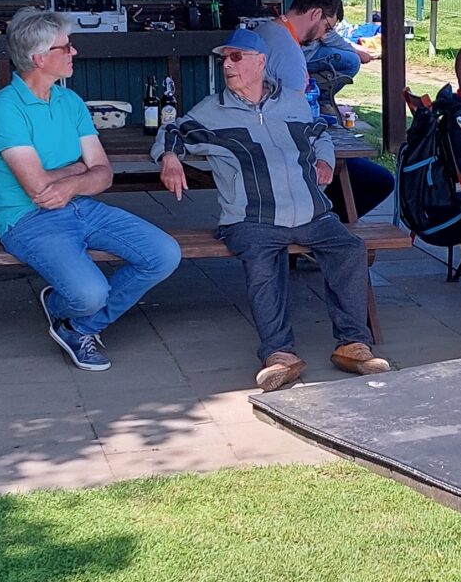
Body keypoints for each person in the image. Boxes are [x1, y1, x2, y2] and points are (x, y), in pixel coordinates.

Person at [161, 27, 390, 392]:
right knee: (264, 263)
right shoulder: (212, 110)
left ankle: (352, 345)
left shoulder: (293, 102)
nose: (227, 65)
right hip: (251, 218)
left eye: (236, 57)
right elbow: (172, 130)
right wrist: (170, 157)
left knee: (350, 249)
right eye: (224, 59)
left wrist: (326, 160)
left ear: (261, 62)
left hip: (310, 212)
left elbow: (319, 132)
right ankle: (278, 354)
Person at [0, 10, 183, 372]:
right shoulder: (4, 108)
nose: (74, 52)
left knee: (164, 253)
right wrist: (77, 169)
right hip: (25, 219)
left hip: (79, 206)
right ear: (39, 58)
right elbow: (38, 188)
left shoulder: (69, 101)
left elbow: (103, 173)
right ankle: (70, 304)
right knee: (91, 293)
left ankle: (76, 326)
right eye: (66, 47)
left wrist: (73, 181)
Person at [259, 0, 395, 218]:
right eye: (327, 27)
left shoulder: (266, 31)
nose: (324, 35)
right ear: (315, 14)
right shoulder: (290, 55)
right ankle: (319, 224)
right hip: (285, 161)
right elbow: (298, 123)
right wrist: (323, 147)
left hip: (267, 147)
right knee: (379, 180)